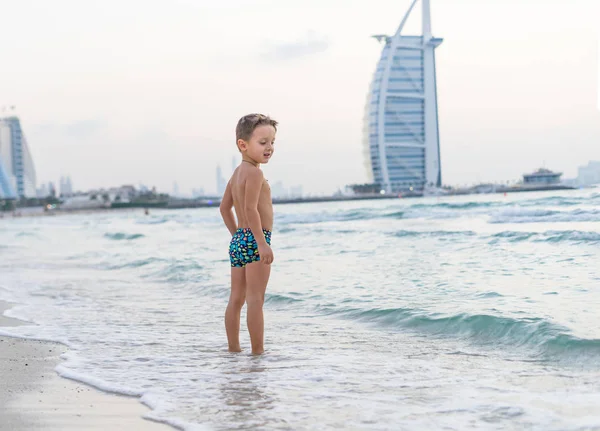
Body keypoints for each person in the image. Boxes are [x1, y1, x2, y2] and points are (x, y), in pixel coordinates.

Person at [219, 113, 277, 355]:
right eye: (263, 143)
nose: (269, 148)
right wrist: (261, 244)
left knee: (236, 298)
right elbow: (252, 209)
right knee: (255, 299)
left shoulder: (236, 174)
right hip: (255, 238)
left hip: (240, 240)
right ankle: (257, 353)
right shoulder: (255, 173)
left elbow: (224, 208)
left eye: (273, 142)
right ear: (243, 145)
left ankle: (233, 349)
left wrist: (237, 236)